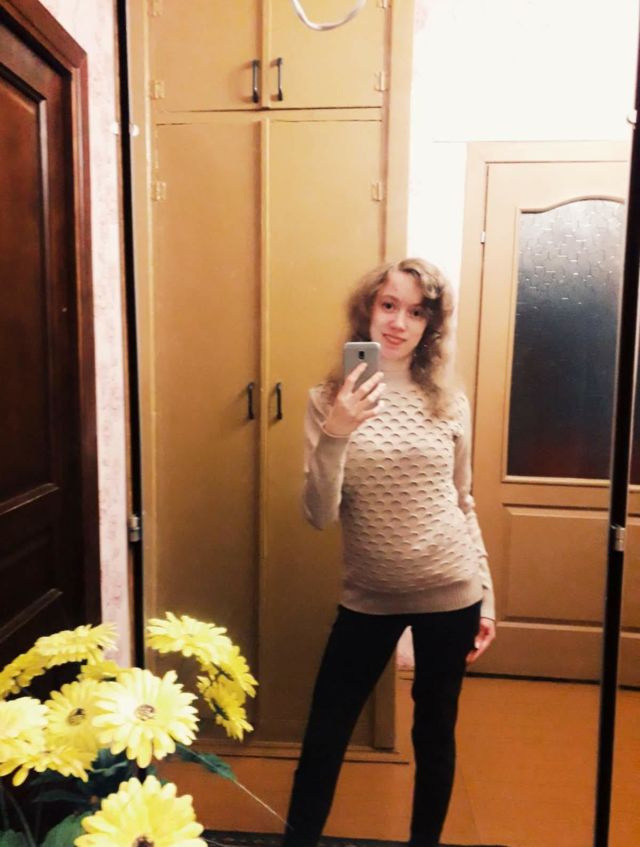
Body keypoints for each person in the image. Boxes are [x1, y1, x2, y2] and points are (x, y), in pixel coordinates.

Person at [282, 258, 496, 847]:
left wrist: (487, 598)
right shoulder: (327, 399)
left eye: (417, 311)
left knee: (435, 734)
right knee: (326, 733)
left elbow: (464, 501)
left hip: (451, 589)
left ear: (431, 324)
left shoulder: (449, 401)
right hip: (368, 597)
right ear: (368, 310)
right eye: (389, 305)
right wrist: (337, 430)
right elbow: (319, 514)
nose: (400, 322)